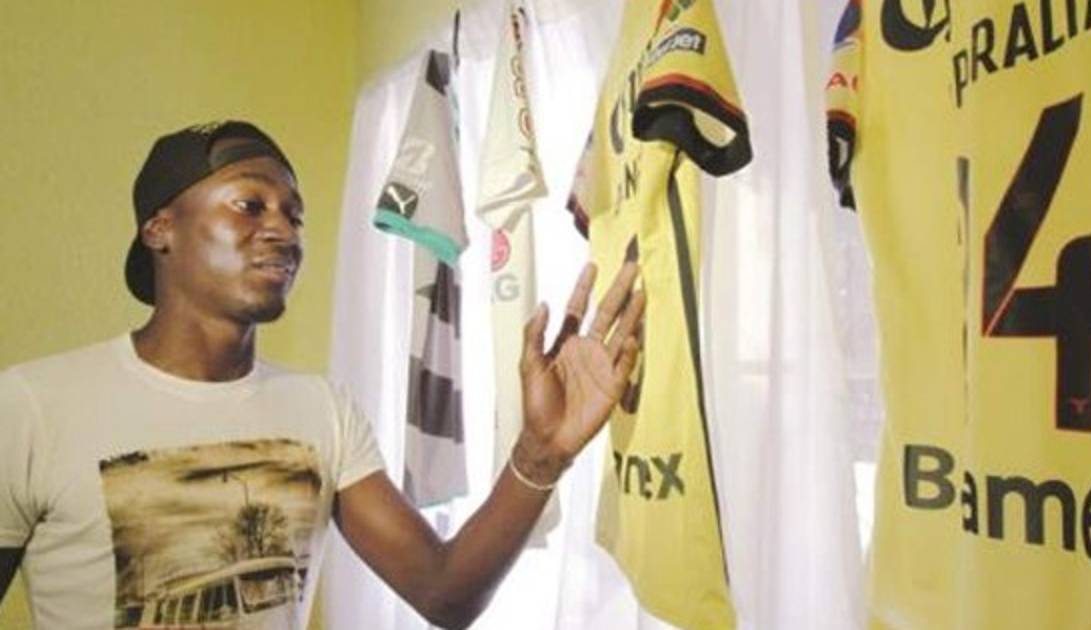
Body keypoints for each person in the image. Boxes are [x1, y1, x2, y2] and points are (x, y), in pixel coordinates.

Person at [0, 121, 645, 629]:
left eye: (294, 215)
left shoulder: (321, 411)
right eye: (249, 205)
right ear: (160, 229)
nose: (282, 230)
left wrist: (540, 454)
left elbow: (444, 593)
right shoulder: (33, 406)